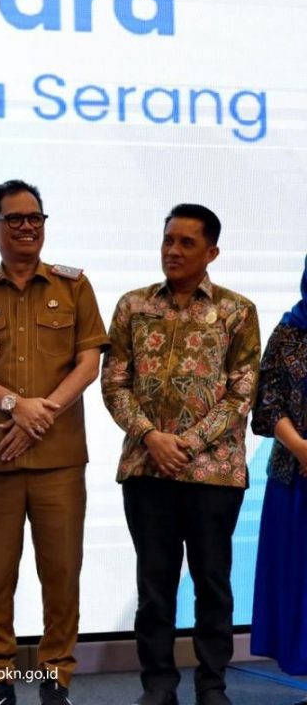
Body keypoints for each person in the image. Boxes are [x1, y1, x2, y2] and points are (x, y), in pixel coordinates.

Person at [0, 179, 109, 705]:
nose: (27, 227)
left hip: (59, 460)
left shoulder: (73, 286)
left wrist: (41, 413)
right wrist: (16, 405)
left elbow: (89, 363)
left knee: (61, 573)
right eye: (14, 219)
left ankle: (56, 675)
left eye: (35, 218)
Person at [101, 204, 260, 705]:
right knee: (154, 586)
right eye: (168, 240)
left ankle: (212, 686)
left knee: (212, 583)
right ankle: (158, 687)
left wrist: (187, 444)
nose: (173, 250)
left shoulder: (237, 311)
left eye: (187, 243)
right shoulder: (133, 306)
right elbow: (115, 382)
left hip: (213, 474)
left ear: (211, 252)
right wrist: (151, 436)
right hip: (146, 469)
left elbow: (242, 393)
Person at [250, 254, 307, 684]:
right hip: (294, 476)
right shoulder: (289, 331)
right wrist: (303, 449)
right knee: (298, 585)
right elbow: (267, 404)